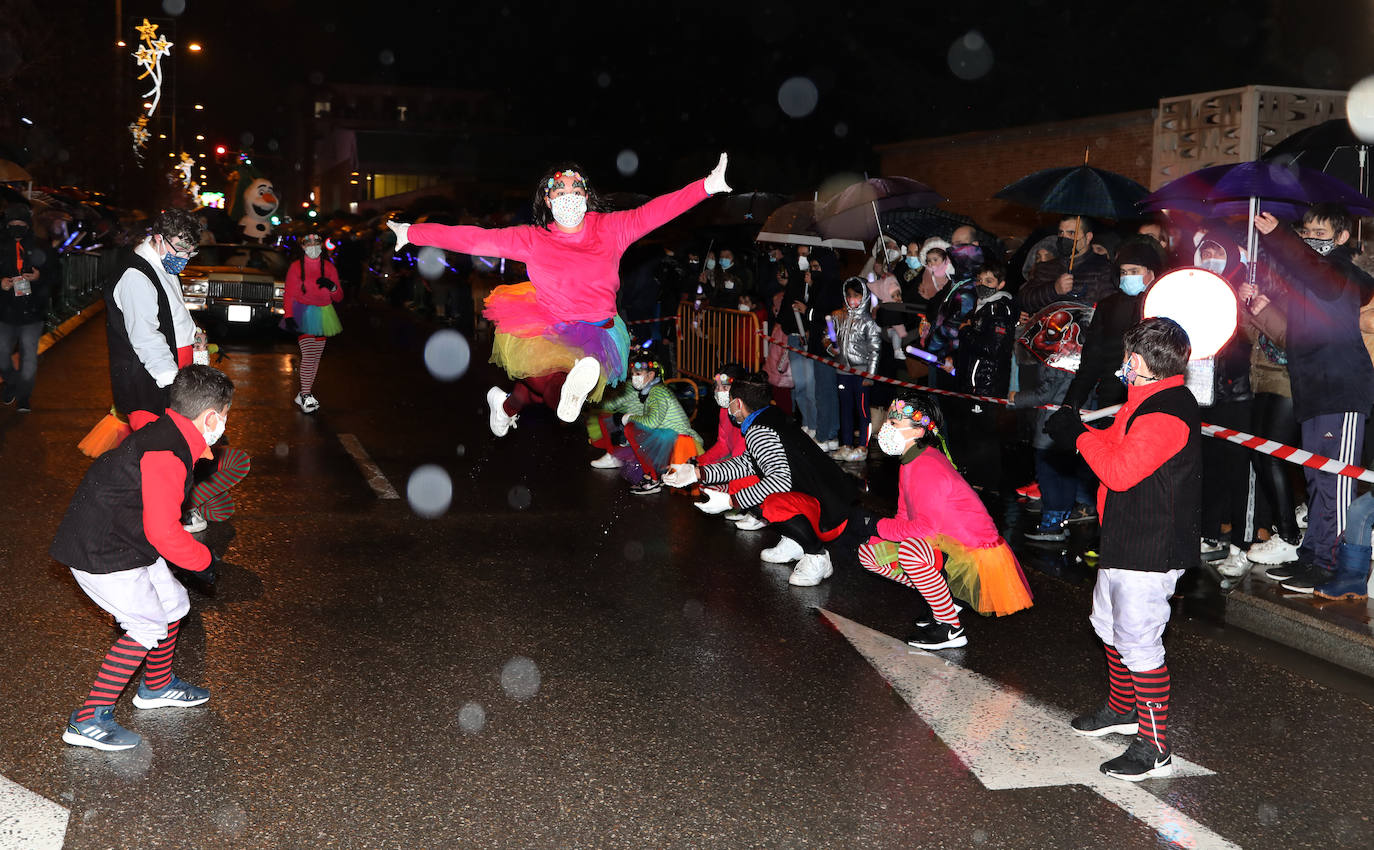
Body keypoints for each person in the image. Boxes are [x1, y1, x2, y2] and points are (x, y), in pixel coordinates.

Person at [390, 155, 730, 435]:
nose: (569, 193)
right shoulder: (532, 238)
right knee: (552, 378)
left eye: (576, 186)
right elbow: (473, 238)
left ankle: (506, 406)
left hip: (599, 331)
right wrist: (412, 232)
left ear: (586, 195)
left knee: (529, 393)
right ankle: (566, 398)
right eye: (560, 188)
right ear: (548, 199)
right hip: (548, 324)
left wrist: (708, 186)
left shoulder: (611, 228)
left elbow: (657, 211)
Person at [1047, 317, 1200, 781]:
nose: (1123, 366)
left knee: (1139, 642)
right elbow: (1112, 445)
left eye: (1128, 358)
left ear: (1143, 363)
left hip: (1150, 545)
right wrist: (1077, 432)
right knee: (1108, 624)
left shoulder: (1167, 412)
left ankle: (1155, 747)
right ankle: (1121, 709)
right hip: (1125, 534)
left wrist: (1074, 435)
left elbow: (1119, 471)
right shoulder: (1144, 400)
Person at [51, 365, 232, 751]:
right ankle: (87, 719)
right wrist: (204, 561)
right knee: (147, 625)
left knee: (174, 604)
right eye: (226, 415)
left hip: (124, 539)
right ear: (211, 417)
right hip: (103, 551)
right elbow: (164, 531)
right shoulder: (167, 452)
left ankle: (156, 686)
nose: (225, 425)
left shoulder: (168, 432)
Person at [101, 209, 250, 533]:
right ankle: (165, 520)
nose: (183, 257)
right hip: (150, 380)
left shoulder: (161, 264)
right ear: (157, 236)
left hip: (171, 371)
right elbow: (146, 338)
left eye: (190, 251)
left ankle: (172, 512)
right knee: (166, 456)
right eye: (179, 249)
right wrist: (178, 386)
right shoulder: (136, 276)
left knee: (174, 452)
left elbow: (173, 312)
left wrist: (192, 335)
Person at [1252, 207, 1374, 592]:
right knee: (1316, 479)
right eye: (1305, 232)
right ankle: (1313, 555)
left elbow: (1317, 273)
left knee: (1335, 482)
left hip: (1340, 392)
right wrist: (1261, 309)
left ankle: (1335, 564)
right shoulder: (1308, 278)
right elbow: (1298, 339)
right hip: (1314, 391)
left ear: (1341, 239)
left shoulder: (1341, 273)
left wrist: (1280, 239)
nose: (1310, 238)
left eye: (1319, 232)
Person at [854, 396, 1034, 650]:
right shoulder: (912, 460)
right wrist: (877, 532)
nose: (886, 428)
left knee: (910, 552)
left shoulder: (925, 466)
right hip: (948, 545)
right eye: (888, 421)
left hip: (974, 558)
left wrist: (875, 525)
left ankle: (951, 628)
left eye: (894, 423)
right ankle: (943, 602)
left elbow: (924, 529)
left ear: (917, 431)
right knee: (870, 553)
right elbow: (905, 516)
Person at [663, 374, 859, 587]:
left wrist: (731, 502)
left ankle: (817, 555)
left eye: (730, 402)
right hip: (826, 497)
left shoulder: (760, 431)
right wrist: (697, 473)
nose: (729, 407)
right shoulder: (768, 416)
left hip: (830, 513)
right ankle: (797, 542)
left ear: (738, 404)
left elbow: (779, 481)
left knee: (771, 502)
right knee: (742, 483)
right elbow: (746, 464)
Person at [585, 356, 702, 495]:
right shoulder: (652, 392)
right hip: (674, 438)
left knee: (631, 428)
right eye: (633, 374)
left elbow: (651, 423)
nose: (634, 377)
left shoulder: (658, 392)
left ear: (651, 375)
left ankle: (652, 480)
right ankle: (648, 474)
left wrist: (627, 418)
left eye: (638, 374)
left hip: (682, 442)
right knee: (626, 426)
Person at [283, 231, 344, 413]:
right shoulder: (295, 267)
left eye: (316, 243)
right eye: (308, 244)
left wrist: (332, 287)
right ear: (302, 247)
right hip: (303, 312)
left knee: (315, 357)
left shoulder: (330, 267)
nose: (313, 247)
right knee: (309, 354)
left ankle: (303, 394)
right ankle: (306, 394)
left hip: (324, 313)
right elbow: (289, 293)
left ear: (322, 246)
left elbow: (339, 297)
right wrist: (289, 315)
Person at [0, 202, 49, 413]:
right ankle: (11, 382)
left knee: (29, 356)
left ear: (28, 225)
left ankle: (24, 395)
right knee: (2, 355)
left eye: (21, 223)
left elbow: (55, 276)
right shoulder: (1, 247)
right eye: (13, 223)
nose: (17, 227)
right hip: (5, 312)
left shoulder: (41, 247)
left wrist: (39, 278)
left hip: (32, 313)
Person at [1018, 215, 1116, 314]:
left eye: (1071, 233)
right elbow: (1024, 301)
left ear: (1088, 237)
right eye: (1061, 233)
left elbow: (1108, 310)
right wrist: (1054, 289)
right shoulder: (1046, 267)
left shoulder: (1103, 269)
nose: (1064, 238)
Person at [830, 278, 882, 461]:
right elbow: (828, 338)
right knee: (845, 407)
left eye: (856, 295)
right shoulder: (838, 316)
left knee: (862, 409)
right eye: (849, 295)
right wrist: (830, 347)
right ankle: (845, 444)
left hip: (861, 373)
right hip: (842, 371)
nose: (852, 299)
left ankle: (862, 446)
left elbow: (875, 350)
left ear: (864, 297)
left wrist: (870, 375)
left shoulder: (868, 321)